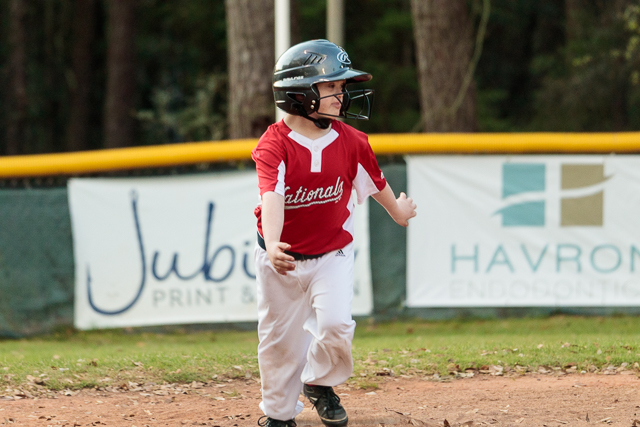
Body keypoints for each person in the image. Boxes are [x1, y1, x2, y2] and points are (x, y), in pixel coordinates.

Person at [252, 39, 417, 427]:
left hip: (332, 255)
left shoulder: (353, 142)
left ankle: (320, 383)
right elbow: (272, 195)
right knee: (280, 343)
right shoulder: (274, 145)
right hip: (282, 261)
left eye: (342, 89)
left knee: (336, 324)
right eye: (331, 88)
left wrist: (398, 211)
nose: (341, 96)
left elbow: (375, 183)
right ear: (299, 93)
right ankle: (278, 415)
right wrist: (274, 243)